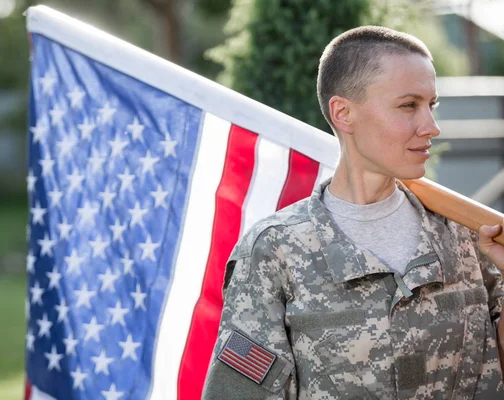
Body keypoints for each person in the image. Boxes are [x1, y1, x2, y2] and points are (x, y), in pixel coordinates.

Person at [202, 26, 504, 400]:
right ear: (343, 113)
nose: (431, 126)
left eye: (432, 105)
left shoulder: (468, 234)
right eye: (409, 105)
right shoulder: (275, 251)